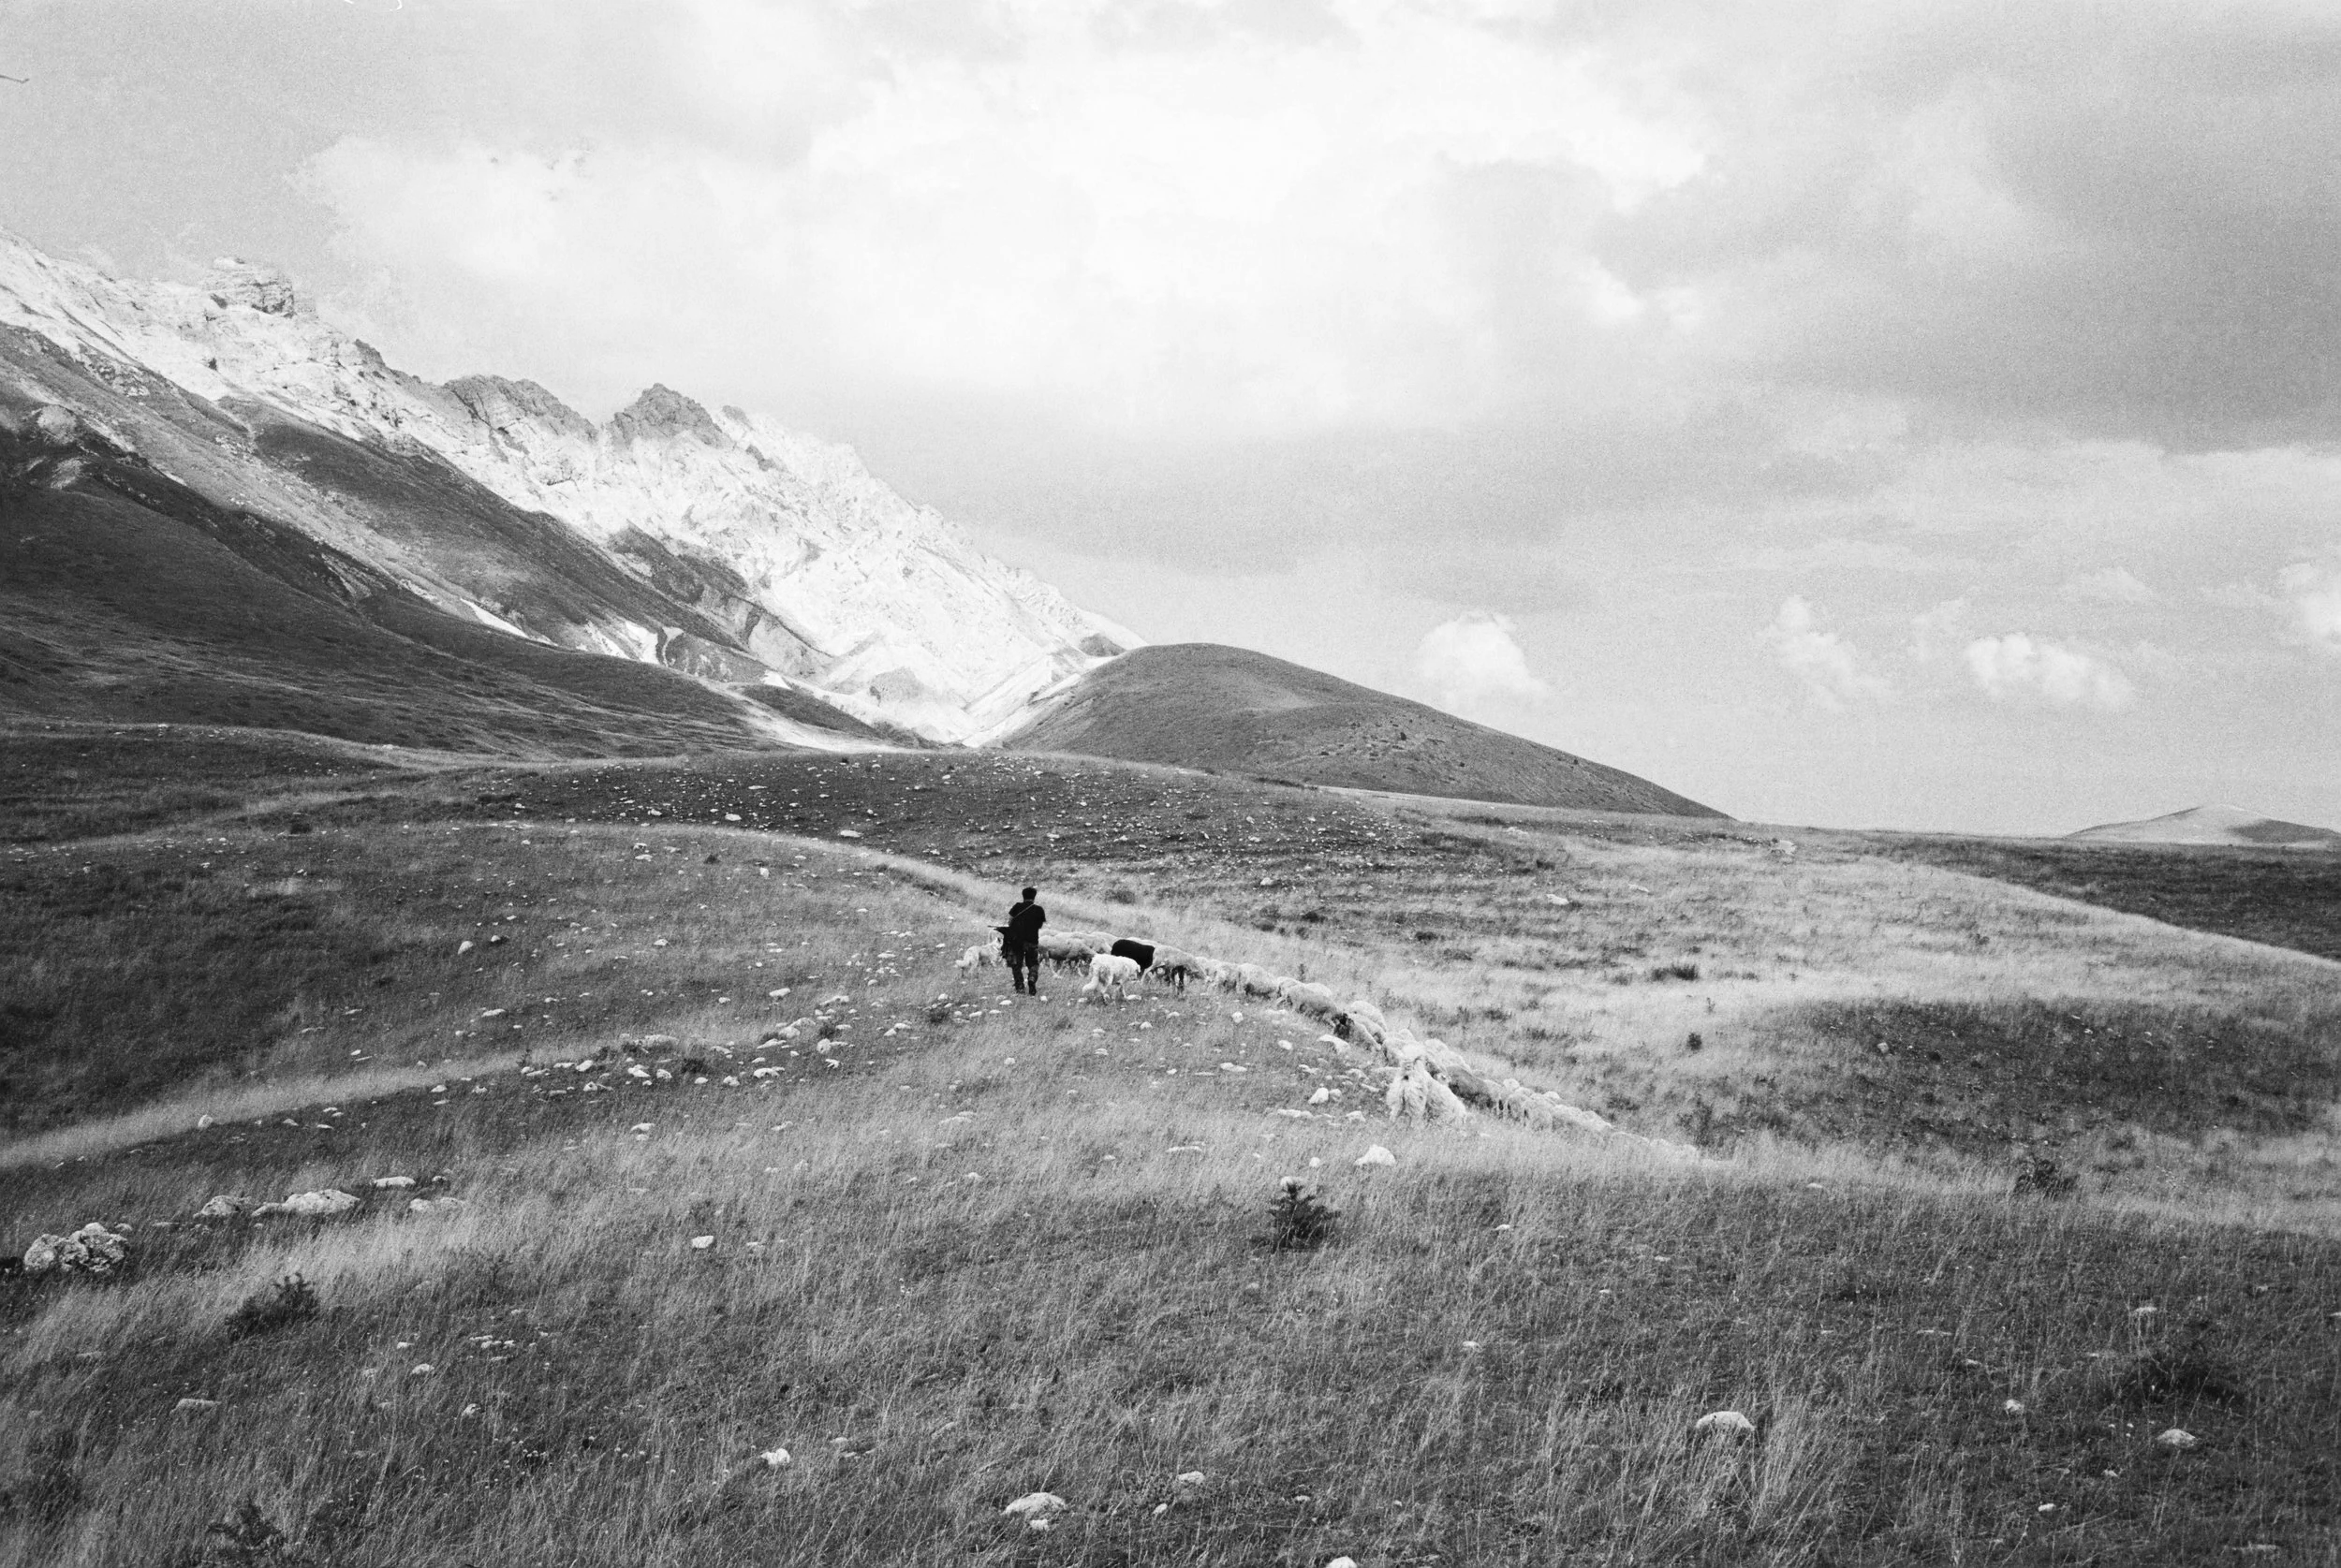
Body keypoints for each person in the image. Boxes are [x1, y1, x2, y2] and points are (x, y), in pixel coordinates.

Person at [1002, 885, 1046, 995]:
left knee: (1016, 965)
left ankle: (1020, 987)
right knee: (1033, 964)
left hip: (1017, 942)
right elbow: (1040, 925)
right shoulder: (1039, 909)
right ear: (1034, 897)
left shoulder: (1017, 907)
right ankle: (1031, 977)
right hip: (1032, 941)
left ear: (1023, 896)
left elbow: (1010, 922)